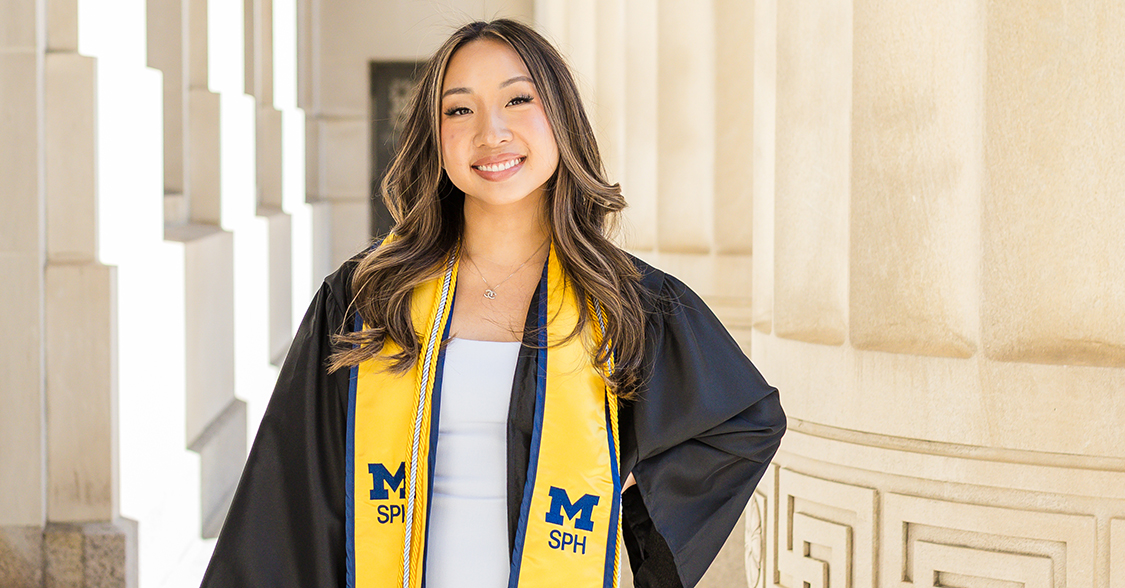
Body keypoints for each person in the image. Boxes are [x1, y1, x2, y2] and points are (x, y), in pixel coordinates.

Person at [200, 18, 784, 588]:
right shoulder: (368, 298)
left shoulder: (624, 300)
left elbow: (741, 422)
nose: (491, 133)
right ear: (436, 138)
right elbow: (289, 492)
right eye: (459, 109)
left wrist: (630, 503)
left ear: (561, 117)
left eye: (517, 100)